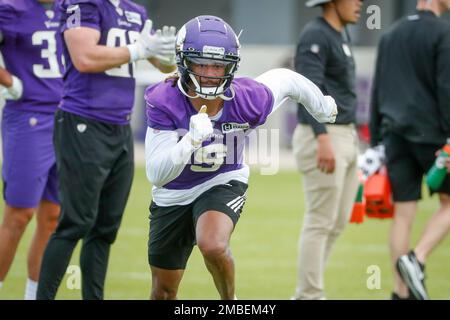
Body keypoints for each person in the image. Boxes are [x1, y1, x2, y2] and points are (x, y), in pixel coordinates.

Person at [145, 15, 338, 300]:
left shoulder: (248, 98)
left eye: (218, 65)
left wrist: (320, 106)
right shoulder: (164, 99)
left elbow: (286, 80)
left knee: (213, 245)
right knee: (163, 291)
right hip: (172, 194)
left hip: (222, 179)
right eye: (201, 63)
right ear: (184, 62)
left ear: (231, 66)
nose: (211, 73)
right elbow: (157, 174)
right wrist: (190, 140)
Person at [36, 0, 177, 300]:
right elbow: (84, 57)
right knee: (75, 222)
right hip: (83, 121)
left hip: (120, 127)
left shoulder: (134, 10)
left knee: (104, 229)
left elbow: (162, 66)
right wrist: (139, 50)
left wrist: (165, 53)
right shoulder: (84, 3)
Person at [370, 0, 450, 300]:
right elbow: (447, 89)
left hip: (394, 136)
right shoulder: (443, 33)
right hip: (432, 137)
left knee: (403, 214)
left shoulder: (391, 33)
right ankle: (417, 259)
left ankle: (399, 293)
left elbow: (378, 88)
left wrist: (377, 140)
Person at [291, 0, 362, 300]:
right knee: (320, 221)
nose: (360, 3)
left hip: (346, 134)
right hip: (323, 135)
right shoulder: (315, 35)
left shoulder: (340, 35)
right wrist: (322, 139)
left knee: (338, 221)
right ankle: (309, 295)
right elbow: (309, 91)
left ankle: (308, 292)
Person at [0, 0, 63, 300]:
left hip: (67, 118)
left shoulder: (73, 8)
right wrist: (8, 80)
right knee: (19, 214)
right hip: (29, 117)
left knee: (53, 216)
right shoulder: (11, 8)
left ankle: (35, 296)